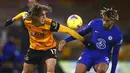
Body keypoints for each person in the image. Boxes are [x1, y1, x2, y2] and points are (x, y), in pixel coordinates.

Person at [5, 3, 86, 73]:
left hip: (49, 49)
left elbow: (68, 31)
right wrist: (12, 20)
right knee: (26, 71)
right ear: (35, 17)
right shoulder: (27, 20)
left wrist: (83, 40)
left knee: (50, 70)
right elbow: (22, 13)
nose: (45, 17)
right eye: (42, 15)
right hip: (34, 49)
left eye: (45, 14)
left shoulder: (50, 24)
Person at [58, 7, 123, 73]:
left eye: (107, 21)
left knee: (101, 70)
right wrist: (66, 40)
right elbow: (81, 33)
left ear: (113, 20)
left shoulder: (117, 34)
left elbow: (115, 53)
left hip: (103, 56)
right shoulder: (95, 23)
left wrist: (113, 71)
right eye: (103, 19)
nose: (104, 22)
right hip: (89, 53)